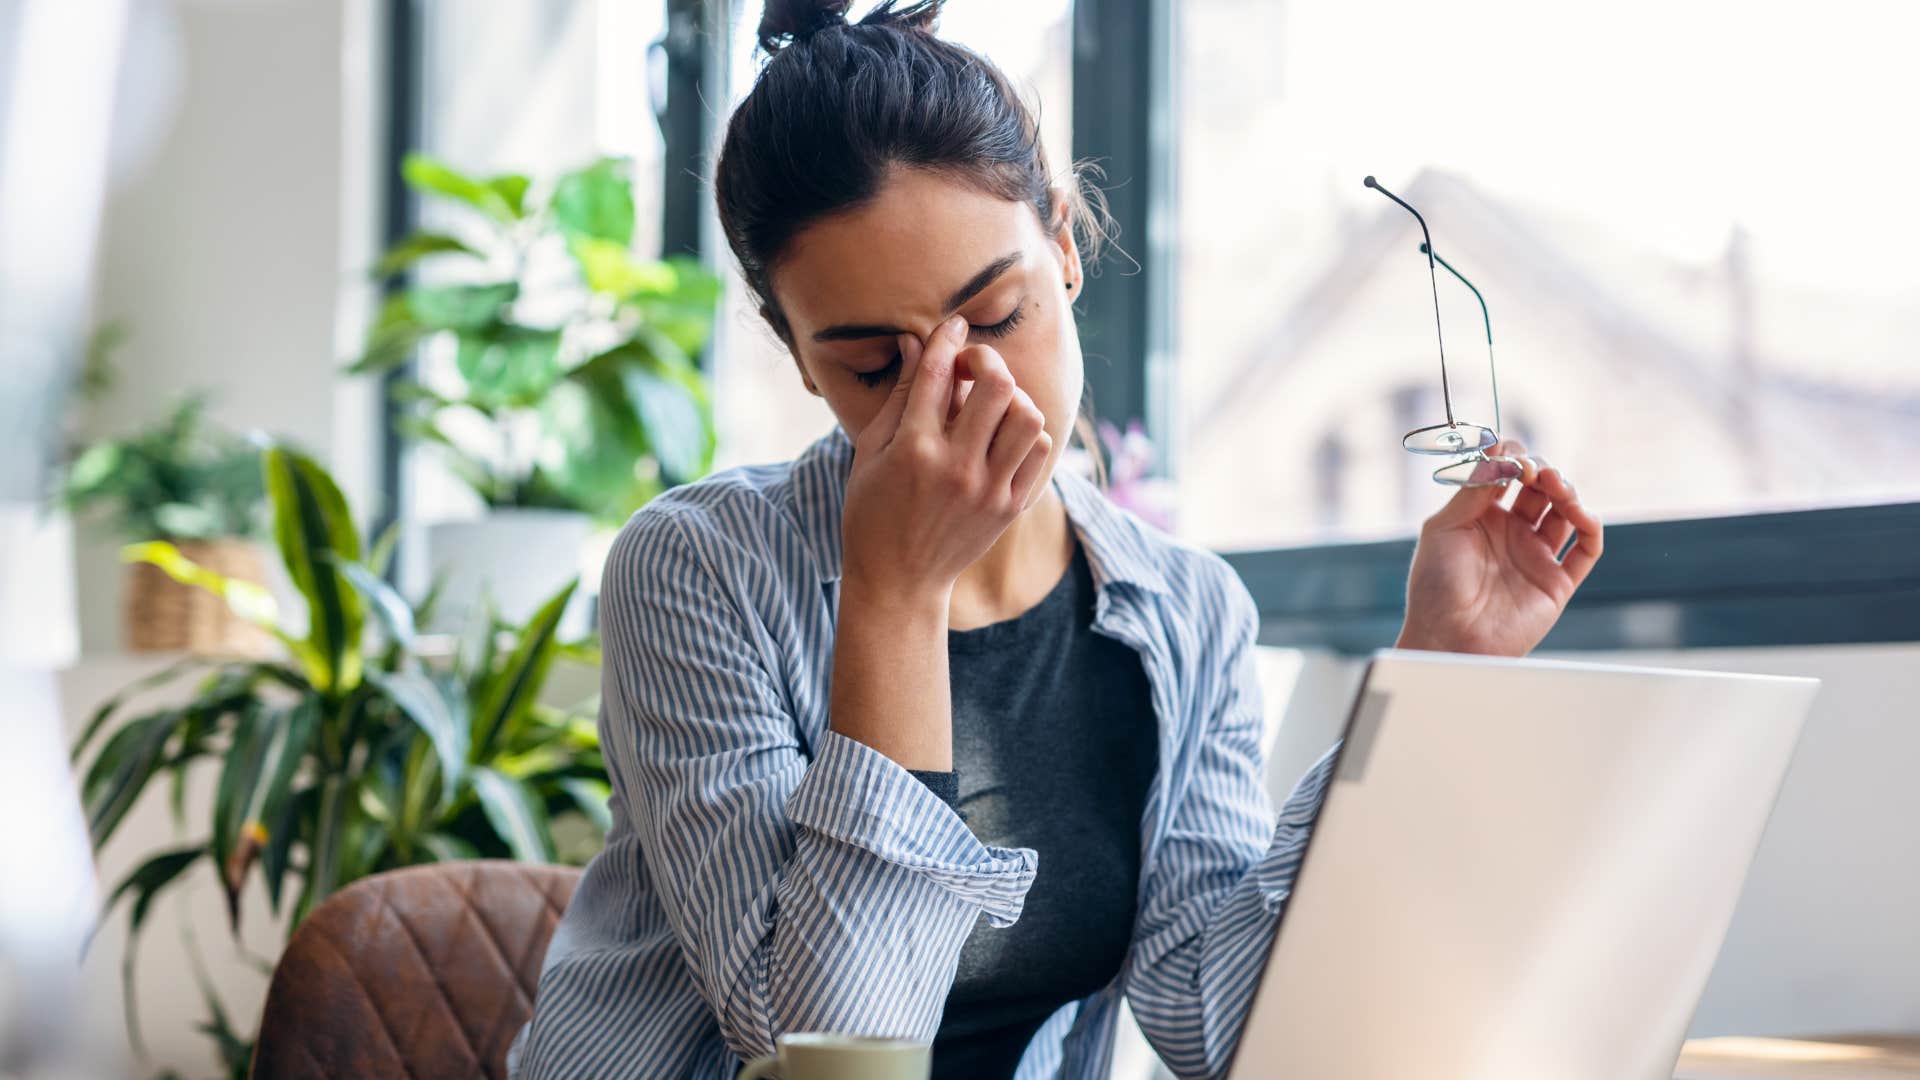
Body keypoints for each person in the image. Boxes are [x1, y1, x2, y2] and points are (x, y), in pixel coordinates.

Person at [509, 2, 1604, 1077]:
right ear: (799, 357)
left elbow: (1216, 1021)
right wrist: (894, 598)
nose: (962, 387)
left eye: (994, 319)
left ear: (1065, 247)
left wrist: (1432, 675)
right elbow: (828, 1053)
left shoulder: (1187, 612)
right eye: (877, 367)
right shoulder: (699, 571)